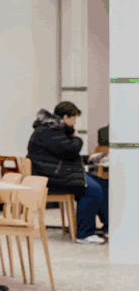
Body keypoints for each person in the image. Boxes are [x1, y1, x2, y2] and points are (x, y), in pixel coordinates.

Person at [28, 103, 107, 243]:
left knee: (102, 183)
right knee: (92, 189)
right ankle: (84, 234)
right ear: (66, 117)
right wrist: (76, 136)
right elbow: (71, 150)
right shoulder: (49, 131)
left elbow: (63, 155)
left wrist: (88, 158)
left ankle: (108, 226)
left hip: (56, 173)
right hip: (51, 178)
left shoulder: (52, 129)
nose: (74, 123)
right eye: (74, 119)